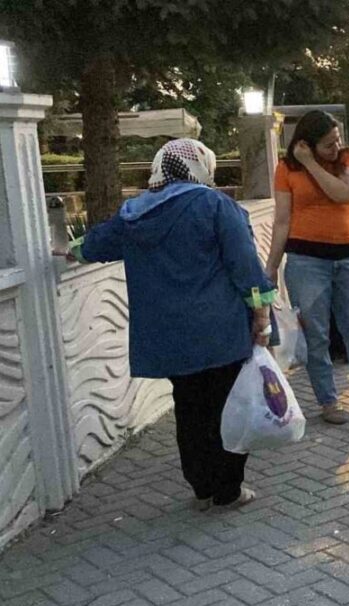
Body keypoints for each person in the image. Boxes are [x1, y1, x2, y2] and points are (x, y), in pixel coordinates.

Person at [70, 139, 275, 510]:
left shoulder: (135, 213)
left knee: (190, 409)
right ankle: (228, 490)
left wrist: (71, 250)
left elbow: (96, 244)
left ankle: (201, 487)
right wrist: (262, 317)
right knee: (225, 409)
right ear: (200, 167)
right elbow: (246, 267)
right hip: (220, 332)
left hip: (170, 339)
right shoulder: (216, 206)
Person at [265, 110, 349, 425]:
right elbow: (282, 220)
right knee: (316, 336)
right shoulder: (287, 168)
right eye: (327, 143)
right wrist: (271, 267)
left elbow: (344, 194)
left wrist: (313, 163)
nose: (335, 146)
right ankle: (328, 402)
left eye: (337, 139)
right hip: (305, 262)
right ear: (305, 144)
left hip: (348, 258)